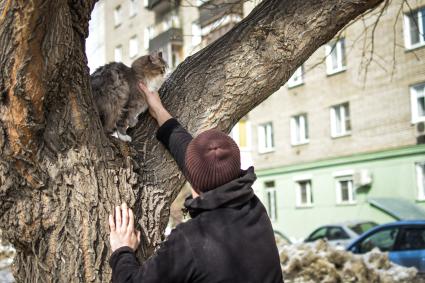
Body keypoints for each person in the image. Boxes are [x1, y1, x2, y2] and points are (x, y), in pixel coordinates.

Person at [108, 82, 283, 283]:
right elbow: (200, 163)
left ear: (193, 181)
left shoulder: (191, 241)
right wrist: (160, 111)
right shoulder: (254, 208)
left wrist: (122, 251)